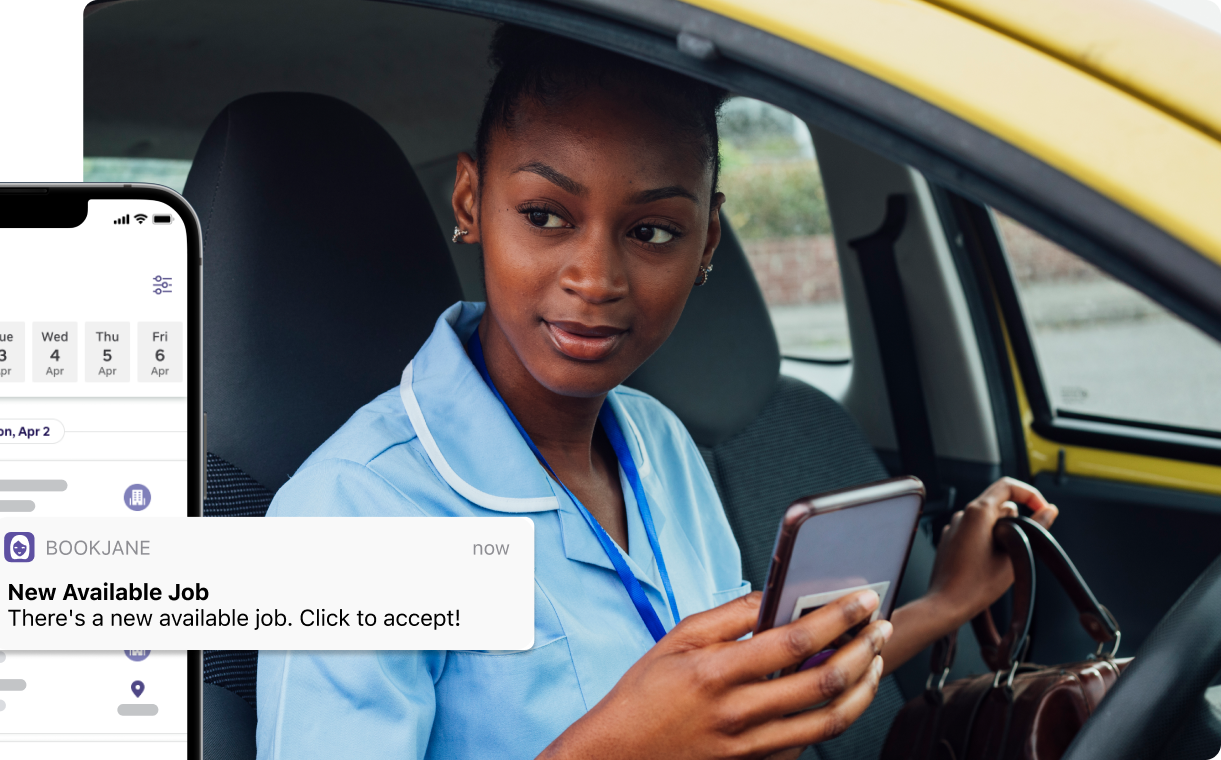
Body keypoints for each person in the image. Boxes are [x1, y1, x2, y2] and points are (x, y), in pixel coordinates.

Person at [257, 24, 1059, 760]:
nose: (595, 279)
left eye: (651, 232)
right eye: (544, 215)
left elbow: (747, 692)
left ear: (708, 239)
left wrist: (945, 600)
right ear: (471, 204)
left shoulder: (659, 442)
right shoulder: (354, 512)